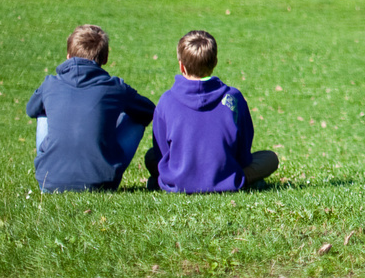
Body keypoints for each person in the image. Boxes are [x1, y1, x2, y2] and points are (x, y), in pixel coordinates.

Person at [25, 24, 155, 192]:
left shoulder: (50, 83)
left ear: (68, 56)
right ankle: (103, 160)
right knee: (135, 118)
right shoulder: (115, 87)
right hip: (102, 183)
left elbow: (31, 109)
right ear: (106, 58)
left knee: (42, 111)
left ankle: (52, 169)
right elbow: (148, 111)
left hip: (49, 182)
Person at [144, 30, 278, 192]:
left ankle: (165, 182)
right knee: (270, 159)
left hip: (180, 180)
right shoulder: (233, 98)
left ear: (181, 66)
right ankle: (240, 181)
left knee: (151, 157)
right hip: (224, 174)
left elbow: (162, 152)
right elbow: (243, 149)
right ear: (215, 62)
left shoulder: (166, 100)